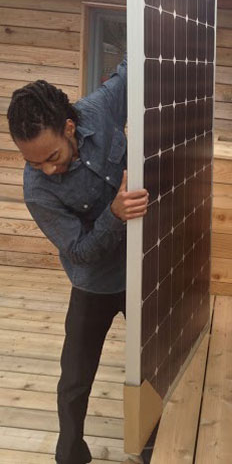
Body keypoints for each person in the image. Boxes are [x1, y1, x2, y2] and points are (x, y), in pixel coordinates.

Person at [6, 59, 153, 464]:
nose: (47, 169)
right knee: (74, 379)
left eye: (51, 156)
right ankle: (71, 454)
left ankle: (152, 447)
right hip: (95, 281)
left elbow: (134, 68)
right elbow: (80, 251)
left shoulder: (99, 108)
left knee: (155, 363)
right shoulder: (38, 191)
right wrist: (115, 214)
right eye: (34, 162)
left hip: (144, 264)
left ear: (69, 127)